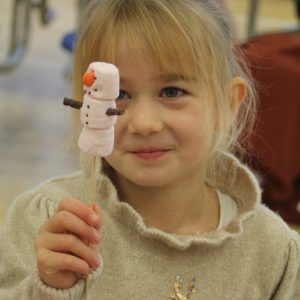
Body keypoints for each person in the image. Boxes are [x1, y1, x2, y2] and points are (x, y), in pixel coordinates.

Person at [0, 0, 299, 299]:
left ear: (228, 103)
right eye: (118, 94)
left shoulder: (272, 252)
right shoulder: (46, 220)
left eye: (172, 92)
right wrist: (49, 288)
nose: (143, 123)